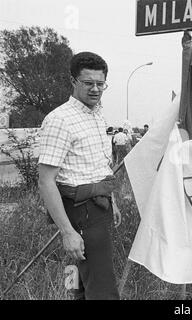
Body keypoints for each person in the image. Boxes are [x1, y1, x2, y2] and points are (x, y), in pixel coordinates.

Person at [38, 52, 120, 300]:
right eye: (88, 83)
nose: (95, 89)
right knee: (102, 288)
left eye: (100, 83)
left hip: (99, 205)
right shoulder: (60, 120)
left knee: (80, 284)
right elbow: (46, 180)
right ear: (73, 81)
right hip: (80, 211)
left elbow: (99, 165)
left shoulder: (96, 114)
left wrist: (112, 201)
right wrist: (67, 232)